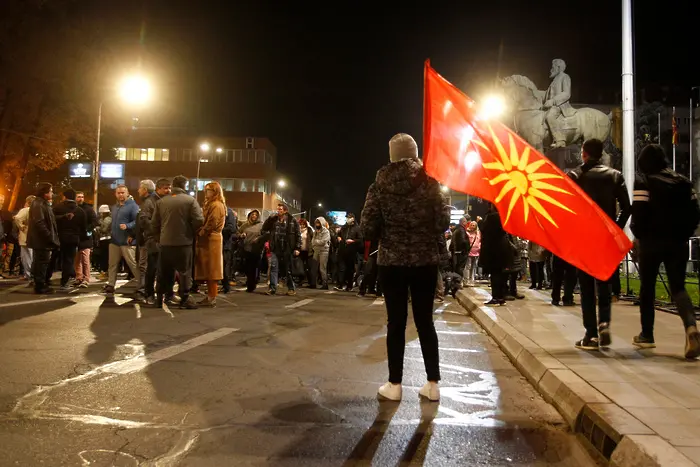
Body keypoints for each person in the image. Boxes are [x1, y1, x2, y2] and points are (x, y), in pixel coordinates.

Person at [361, 133, 450, 402]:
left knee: (396, 323)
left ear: (391, 155)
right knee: (425, 322)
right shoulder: (430, 181)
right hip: (424, 261)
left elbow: (368, 228)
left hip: (392, 262)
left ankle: (395, 384)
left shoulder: (378, 185)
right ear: (414, 153)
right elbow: (442, 222)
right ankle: (432, 384)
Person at [631, 144, 700, 358]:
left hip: (651, 242)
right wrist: (684, 233)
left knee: (647, 288)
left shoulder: (644, 181)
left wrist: (639, 235)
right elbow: (695, 213)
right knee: (678, 287)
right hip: (677, 242)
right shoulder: (684, 183)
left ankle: (647, 334)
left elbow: (639, 213)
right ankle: (691, 327)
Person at [569, 138, 631, 350]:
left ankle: (591, 334)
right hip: (605, 236)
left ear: (584, 153)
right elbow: (626, 207)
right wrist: (616, 228)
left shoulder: (575, 176)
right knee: (603, 280)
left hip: (584, 236)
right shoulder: (615, 176)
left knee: (586, 286)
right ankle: (604, 322)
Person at [151, 175, 204, 309]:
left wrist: (160, 237)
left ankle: (160, 298)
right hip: (183, 243)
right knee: (184, 271)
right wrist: (190, 232)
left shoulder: (161, 202)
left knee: (164, 272)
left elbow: (154, 224)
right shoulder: (190, 201)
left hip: (165, 243)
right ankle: (184, 298)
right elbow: (199, 220)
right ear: (184, 185)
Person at [138, 179, 171, 305]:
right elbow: (144, 220)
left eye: (169, 188)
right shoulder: (150, 202)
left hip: (165, 239)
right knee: (152, 268)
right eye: (165, 188)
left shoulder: (166, 201)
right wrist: (156, 232)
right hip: (154, 239)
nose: (168, 190)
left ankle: (165, 293)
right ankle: (149, 294)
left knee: (165, 269)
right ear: (158, 188)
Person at [194, 182, 227, 307]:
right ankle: (210, 296)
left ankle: (212, 297)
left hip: (211, 239)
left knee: (212, 270)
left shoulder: (216, 205)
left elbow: (212, 222)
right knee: (208, 269)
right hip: (208, 238)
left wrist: (202, 231)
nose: (206, 192)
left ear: (215, 191)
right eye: (206, 190)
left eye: (209, 190)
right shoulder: (211, 204)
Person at [105, 185, 140, 295]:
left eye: (122, 192)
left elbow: (137, 221)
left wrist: (128, 226)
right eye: (118, 193)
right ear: (115, 194)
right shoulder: (115, 207)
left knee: (133, 264)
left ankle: (141, 285)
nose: (120, 194)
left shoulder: (133, 206)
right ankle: (111, 284)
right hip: (114, 240)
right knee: (112, 264)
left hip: (127, 241)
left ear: (127, 193)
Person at [260, 203, 301, 296]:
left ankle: (291, 288)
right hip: (275, 247)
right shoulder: (274, 220)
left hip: (287, 248)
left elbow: (298, 234)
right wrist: (269, 218)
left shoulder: (292, 220)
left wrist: (297, 247)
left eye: (280, 209)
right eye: (277, 209)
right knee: (274, 268)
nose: (278, 211)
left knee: (288, 269)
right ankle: (272, 288)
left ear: (285, 211)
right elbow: (264, 228)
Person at [52, 188, 87, 291]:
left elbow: (52, 220)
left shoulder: (57, 207)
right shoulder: (80, 211)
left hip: (59, 237)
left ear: (64, 197)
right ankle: (64, 281)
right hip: (73, 238)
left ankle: (45, 279)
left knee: (54, 258)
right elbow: (84, 227)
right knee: (69, 260)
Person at [27, 183, 59, 294]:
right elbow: (39, 222)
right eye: (50, 191)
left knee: (42, 262)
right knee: (41, 262)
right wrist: (49, 236)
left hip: (42, 240)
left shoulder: (42, 203)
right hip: (41, 240)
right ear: (44, 193)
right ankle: (40, 285)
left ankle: (41, 283)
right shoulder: (38, 204)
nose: (52, 193)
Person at [542, 58, 575, 149]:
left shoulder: (565, 77)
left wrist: (553, 101)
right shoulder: (554, 80)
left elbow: (566, 93)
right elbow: (546, 95)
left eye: (552, 67)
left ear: (559, 67)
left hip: (560, 106)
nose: (550, 70)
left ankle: (560, 140)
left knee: (550, 116)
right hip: (551, 106)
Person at [74, 191, 98, 287]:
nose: (80, 198)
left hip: (85, 238)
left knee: (85, 259)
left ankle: (86, 278)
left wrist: (88, 230)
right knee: (76, 259)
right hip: (76, 237)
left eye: (82, 197)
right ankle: (78, 277)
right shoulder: (74, 208)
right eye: (79, 197)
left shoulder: (88, 209)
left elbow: (94, 221)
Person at [237, 210, 263, 292]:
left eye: (256, 214)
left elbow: (265, 234)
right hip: (246, 248)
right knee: (248, 268)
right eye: (253, 214)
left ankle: (252, 284)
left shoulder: (261, 225)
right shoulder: (245, 225)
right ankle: (250, 283)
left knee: (254, 267)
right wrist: (241, 235)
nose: (254, 216)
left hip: (256, 249)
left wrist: (259, 239)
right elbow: (238, 232)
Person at [13, 196, 35, 282]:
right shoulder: (38, 210)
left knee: (26, 256)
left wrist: (22, 227)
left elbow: (17, 218)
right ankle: (32, 273)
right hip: (35, 236)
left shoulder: (25, 210)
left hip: (25, 236)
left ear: (27, 202)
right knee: (32, 255)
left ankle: (28, 274)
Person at [310, 216, 331, 289]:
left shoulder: (326, 231)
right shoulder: (315, 231)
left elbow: (324, 241)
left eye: (318, 223)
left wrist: (316, 242)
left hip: (323, 251)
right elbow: (312, 241)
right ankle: (313, 284)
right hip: (316, 250)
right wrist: (314, 244)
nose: (317, 224)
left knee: (322, 268)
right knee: (314, 268)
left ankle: (325, 284)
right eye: (316, 223)